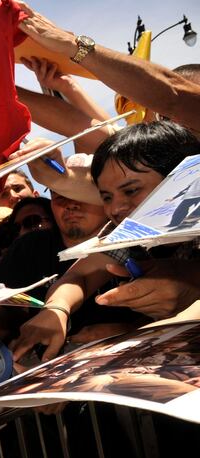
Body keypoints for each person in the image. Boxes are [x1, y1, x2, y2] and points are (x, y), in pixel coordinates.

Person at [11, 121, 200, 362]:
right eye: (107, 197)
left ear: (184, 180)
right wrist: (57, 309)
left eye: (131, 191)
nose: (116, 208)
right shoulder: (130, 234)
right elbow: (81, 275)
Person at [16, 2, 200, 134]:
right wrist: (67, 86)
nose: (176, 121)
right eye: (164, 117)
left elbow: (175, 98)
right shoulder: (155, 162)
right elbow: (106, 134)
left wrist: (74, 46)